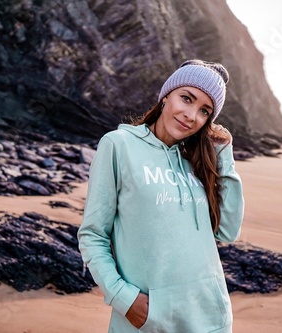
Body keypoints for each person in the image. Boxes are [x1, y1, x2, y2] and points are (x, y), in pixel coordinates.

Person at [77, 59, 245, 332]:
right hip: (149, 321)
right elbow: (93, 235)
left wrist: (224, 159)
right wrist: (123, 297)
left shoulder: (195, 161)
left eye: (205, 111)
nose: (191, 115)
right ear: (166, 96)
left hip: (212, 318)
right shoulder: (118, 146)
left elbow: (227, 231)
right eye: (186, 98)